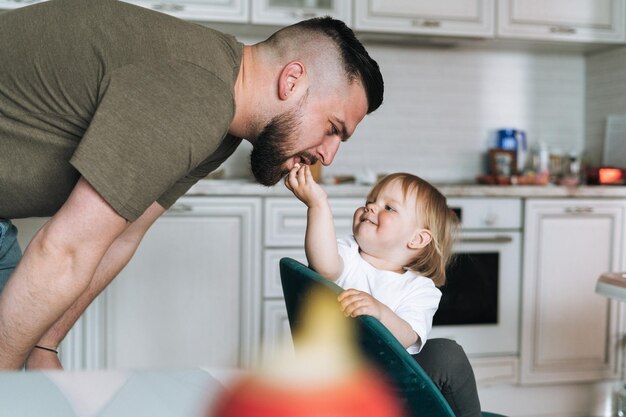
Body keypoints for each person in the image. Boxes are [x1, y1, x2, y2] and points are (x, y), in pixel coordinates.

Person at [0, 0, 384, 370]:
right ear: (292, 80)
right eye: (333, 129)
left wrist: (42, 344)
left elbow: (122, 235)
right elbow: (66, 250)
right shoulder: (198, 94)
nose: (329, 155)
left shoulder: (222, 122)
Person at [285, 167, 482, 417]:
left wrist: (379, 312)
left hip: (394, 385)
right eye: (369, 201)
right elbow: (324, 266)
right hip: (342, 378)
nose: (370, 207)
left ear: (418, 239)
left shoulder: (420, 289)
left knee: (448, 354)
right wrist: (317, 205)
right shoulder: (347, 253)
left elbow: (408, 337)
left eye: (389, 208)